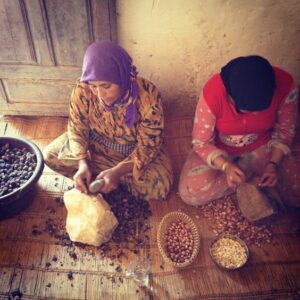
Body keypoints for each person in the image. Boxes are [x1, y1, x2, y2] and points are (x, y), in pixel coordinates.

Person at [43, 41, 173, 201]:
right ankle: (98, 177)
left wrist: (118, 171)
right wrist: (82, 163)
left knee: (161, 185)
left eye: (106, 86)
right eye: (93, 86)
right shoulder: (82, 89)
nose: (99, 94)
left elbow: (148, 145)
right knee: (49, 155)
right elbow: (77, 128)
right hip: (94, 148)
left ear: (122, 77)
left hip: (131, 155)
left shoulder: (147, 95)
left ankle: (107, 178)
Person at [179, 55, 299, 207]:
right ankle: (245, 176)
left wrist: (273, 165)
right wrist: (226, 166)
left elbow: (285, 132)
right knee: (191, 192)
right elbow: (201, 142)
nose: (253, 116)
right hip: (220, 149)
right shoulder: (214, 92)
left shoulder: (286, 86)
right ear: (230, 96)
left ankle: (249, 174)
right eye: (244, 110)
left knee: (296, 189)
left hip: (263, 147)